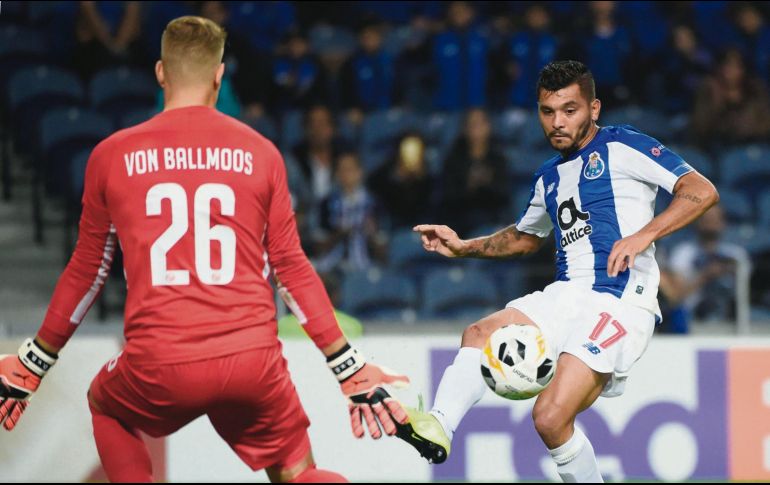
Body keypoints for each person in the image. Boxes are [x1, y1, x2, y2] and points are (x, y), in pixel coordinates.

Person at [0, 16, 408, 483]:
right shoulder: (262, 153)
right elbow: (291, 270)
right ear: (219, 75)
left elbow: (88, 272)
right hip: (252, 360)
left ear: (159, 73)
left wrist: (33, 364)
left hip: (159, 362)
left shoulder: (111, 156)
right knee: (297, 472)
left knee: (105, 403)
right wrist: (347, 367)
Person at [397, 60, 719, 482]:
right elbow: (524, 238)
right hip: (566, 294)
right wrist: (462, 247)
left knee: (549, 416)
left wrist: (643, 236)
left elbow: (700, 190)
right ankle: (438, 425)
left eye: (570, 110)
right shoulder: (548, 177)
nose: (557, 122)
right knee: (477, 335)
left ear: (594, 108)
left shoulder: (623, 145)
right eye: (548, 111)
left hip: (622, 300)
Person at [668, 205, 751, 329]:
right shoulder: (683, 253)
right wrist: (705, 276)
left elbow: (749, 294)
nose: (711, 224)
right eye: (706, 219)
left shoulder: (736, 255)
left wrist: (732, 273)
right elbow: (675, 296)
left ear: (723, 223)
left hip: (733, 320)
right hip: (691, 320)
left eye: (716, 219)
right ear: (696, 221)